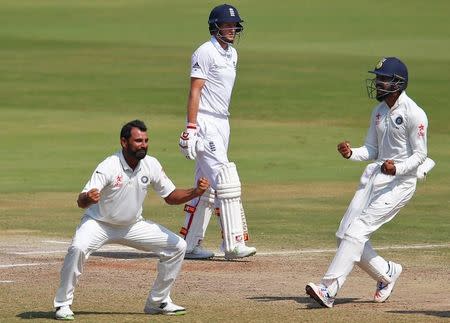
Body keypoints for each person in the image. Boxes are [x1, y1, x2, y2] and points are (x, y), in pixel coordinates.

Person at [305, 57, 435, 308]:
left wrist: (397, 168)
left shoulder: (414, 113)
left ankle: (328, 288)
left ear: (397, 83)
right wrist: (351, 152)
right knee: (345, 234)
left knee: (356, 231)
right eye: (377, 78)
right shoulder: (378, 111)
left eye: (382, 79)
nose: (377, 83)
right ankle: (387, 273)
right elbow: (372, 149)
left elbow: (420, 155)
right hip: (374, 177)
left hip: (400, 184)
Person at [54, 120, 210, 320]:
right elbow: (81, 201)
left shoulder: (150, 164)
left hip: (132, 225)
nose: (143, 145)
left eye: (145, 140)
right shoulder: (109, 165)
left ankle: (158, 301)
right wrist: (88, 198)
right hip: (99, 223)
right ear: (124, 142)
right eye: (138, 141)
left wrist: (195, 191)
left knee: (177, 246)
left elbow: (170, 197)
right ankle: (62, 305)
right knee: (77, 248)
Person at [177, 4, 256, 260]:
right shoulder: (205, 52)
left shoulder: (232, 54)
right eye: (227, 25)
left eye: (235, 25)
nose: (232, 29)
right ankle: (233, 245)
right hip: (206, 122)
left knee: (207, 185)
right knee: (226, 179)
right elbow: (195, 90)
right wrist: (191, 127)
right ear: (216, 26)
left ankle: (188, 244)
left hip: (223, 122)